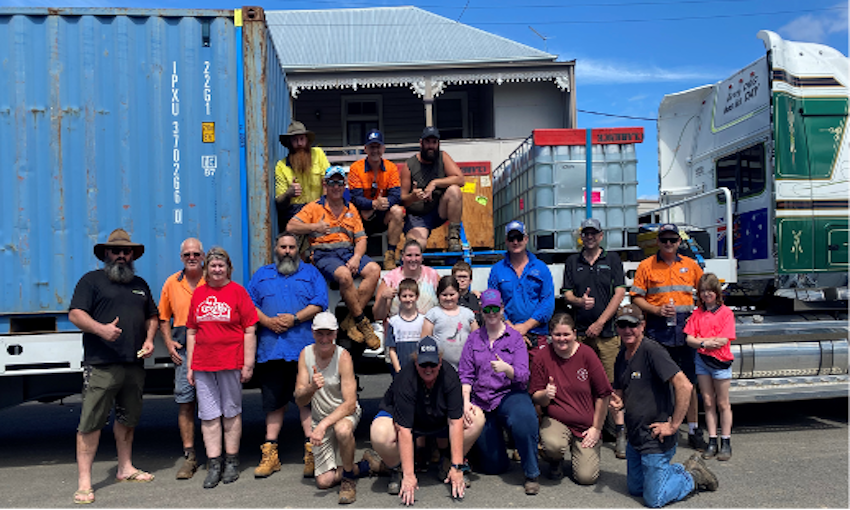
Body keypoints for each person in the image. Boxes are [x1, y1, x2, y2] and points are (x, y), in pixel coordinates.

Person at [69, 228, 159, 504]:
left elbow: (152, 316)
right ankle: (85, 483)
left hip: (133, 363)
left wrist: (150, 338)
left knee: (128, 419)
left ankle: (125, 468)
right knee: (91, 423)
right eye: (116, 251)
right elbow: (75, 314)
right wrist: (101, 330)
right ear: (106, 254)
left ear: (132, 255)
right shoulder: (91, 281)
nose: (121, 255)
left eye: (126, 251)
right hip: (101, 364)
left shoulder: (140, 284)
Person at [610, 304, 718, 508]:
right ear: (617, 327)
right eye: (622, 325)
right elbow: (620, 391)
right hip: (635, 438)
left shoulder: (652, 350)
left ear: (642, 325)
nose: (627, 330)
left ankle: (692, 476)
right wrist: (616, 401)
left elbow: (684, 386)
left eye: (632, 325)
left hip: (655, 439)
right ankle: (675, 470)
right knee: (635, 489)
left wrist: (674, 425)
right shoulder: (621, 356)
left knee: (654, 499)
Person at [247, 232, 329, 480]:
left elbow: (320, 303)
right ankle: (270, 455)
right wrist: (268, 322)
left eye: (291, 247)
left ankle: (311, 454)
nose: (287, 251)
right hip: (271, 350)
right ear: (276, 249)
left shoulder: (311, 274)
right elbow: (249, 304)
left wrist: (295, 318)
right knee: (274, 404)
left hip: (303, 350)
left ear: (298, 250)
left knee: (305, 401)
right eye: (283, 246)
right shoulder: (261, 275)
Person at [370, 337, 481, 505]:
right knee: (379, 433)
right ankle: (397, 468)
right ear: (416, 362)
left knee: (477, 418)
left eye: (433, 364)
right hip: (407, 421)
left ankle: (448, 462)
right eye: (423, 364)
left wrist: (457, 465)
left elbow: (455, 422)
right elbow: (404, 429)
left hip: (437, 419)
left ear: (440, 361)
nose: (428, 369)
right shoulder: (405, 378)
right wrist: (409, 475)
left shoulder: (450, 375)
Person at [186, 247, 258, 489]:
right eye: (213, 266)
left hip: (231, 362)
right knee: (208, 415)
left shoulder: (238, 293)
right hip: (203, 364)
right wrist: (190, 366)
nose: (217, 270)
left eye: (221, 265)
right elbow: (192, 330)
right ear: (206, 268)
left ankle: (232, 461)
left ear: (229, 268)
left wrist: (248, 364)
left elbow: (250, 330)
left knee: (231, 412)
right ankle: (213, 463)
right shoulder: (198, 294)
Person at [630, 223, 707, 451]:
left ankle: (693, 430)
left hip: (685, 332)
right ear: (658, 241)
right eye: (664, 240)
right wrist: (656, 310)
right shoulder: (646, 266)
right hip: (658, 330)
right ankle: (659, 425)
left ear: (679, 242)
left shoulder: (691, 266)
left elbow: (704, 294)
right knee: (657, 383)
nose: (668, 244)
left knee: (689, 383)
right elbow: (636, 298)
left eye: (673, 240)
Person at [288, 166, 382, 349]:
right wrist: (314, 227)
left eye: (340, 183)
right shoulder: (314, 207)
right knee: (344, 276)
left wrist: (356, 257)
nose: (336, 187)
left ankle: (349, 320)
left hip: (347, 252)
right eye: (332, 182)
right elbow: (291, 226)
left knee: (374, 269)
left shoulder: (351, 208)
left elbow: (361, 239)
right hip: (324, 255)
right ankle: (362, 322)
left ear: (344, 185)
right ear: (325, 185)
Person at [458, 289, 541, 495]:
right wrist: (466, 402)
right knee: (494, 466)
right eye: (488, 309)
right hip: (481, 399)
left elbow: (523, 376)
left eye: (496, 308)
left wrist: (508, 369)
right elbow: (465, 374)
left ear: (502, 308)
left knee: (524, 418)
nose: (492, 313)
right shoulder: (474, 339)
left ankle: (531, 472)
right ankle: (482, 455)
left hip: (508, 395)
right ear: (481, 312)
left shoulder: (514, 338)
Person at [294, 312, 379, 504]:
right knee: (324, 481)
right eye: (320, 333)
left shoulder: (343, 356)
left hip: (344, 413)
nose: (324, 339)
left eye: (329, 334)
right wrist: (311, 388)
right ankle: (366, 466)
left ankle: (348, 478)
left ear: (336, 334)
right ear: (313, 332)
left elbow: (350, 403)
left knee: (342, 429)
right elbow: (299, 400)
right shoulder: (305, 354)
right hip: (320, 415)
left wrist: (323, 425)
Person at [561, 218, 627, 458]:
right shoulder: (573, 261)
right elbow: (566, 292)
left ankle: (620, 431)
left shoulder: (612, 260)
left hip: (607, 334)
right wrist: (579, 301)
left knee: (611, 384)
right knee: (580, 383)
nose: (589, 237)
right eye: (585, 233)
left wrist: (600, 322)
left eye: (593, 233)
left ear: (601, 236)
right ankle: (585, 429)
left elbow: (620, 292)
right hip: (580, 333)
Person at [529, 313, 612, 485]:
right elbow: (536, 396)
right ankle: (555, 460)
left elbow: (604, 394)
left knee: (586, 478)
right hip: (557, 420)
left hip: (586, 425)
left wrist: (596, 428)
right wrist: (546, 394)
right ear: (550, 335)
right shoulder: (542, 357)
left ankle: (581, 450)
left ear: (574, 333)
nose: (562, 339)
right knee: (553, 445)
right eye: (557, 335)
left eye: (566, 334)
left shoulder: (587, 354)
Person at [158, 237, 206, 480]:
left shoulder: (214, 279)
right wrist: (168, 342)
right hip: (184, 347)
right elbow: (163, 317)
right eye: (187, 254)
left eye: (196, 254)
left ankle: (216, 455)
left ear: (203, 256)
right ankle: (190, 457)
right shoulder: (172, 282)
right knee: (186, 402)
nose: (192, 258)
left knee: (212, 404)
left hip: (211, 346)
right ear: (181, 257)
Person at [684, 273, 735, 461]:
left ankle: (726, 440)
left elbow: (723, 339)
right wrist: (705, 343)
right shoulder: (697, 313)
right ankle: (712, 440)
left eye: (710, 291)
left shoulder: (726, 313)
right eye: (703, 291)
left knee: (722, 402)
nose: (706, 295)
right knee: (707, 402)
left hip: (720, 361)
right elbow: (689, 338)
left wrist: (702, 342)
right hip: (702, 361)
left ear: (717, 292)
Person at [487, 220, 555, 353]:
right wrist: (511, 329)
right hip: (505, 334)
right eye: (511, 238)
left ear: (526, 239)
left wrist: (526, 326)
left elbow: (547, 302)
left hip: (537, 335)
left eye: (519, 238)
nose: (515, 242)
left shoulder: (541, 268)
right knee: (507, 373)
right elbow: (493, 303)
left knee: (538, 373)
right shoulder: (497, 270)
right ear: (506, 241)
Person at [400, 126, 466, 252]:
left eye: (434, 142)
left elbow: (460, 179)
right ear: (421, 143)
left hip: (438, 210)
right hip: (417, 216)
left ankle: (453, 239)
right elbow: (402, 199)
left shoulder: (443, 157)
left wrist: (435, 183)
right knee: (416, 247)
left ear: (438, 144)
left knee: (454, 190)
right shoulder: (409, 165)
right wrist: (412, 197)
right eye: (427, 142)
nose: (431, 146)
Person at [348, 129, 405, 270]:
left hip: (381, 213)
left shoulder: (391, 168)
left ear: (383, 149)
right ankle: (349, 256)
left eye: (378, 147)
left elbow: (396, 195)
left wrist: (383, 203)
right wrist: (373, 204)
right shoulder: (356, 168)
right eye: (372, 147)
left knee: (397, 211)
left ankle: (390, 255)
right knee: (347, 212)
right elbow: (355, 198)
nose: (375, 150)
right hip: (361, 216)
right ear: (366, 149)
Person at [275, 120, 331, 231]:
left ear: (307, 140)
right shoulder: (281, 166)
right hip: (294, 214)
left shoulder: (318, 154)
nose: (299, 143)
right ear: (289, 143)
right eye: (295, 140)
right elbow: (279, 202)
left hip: (318, 208)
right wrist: (288, 193)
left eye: (302, 139)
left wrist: (324, 205)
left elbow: (329, 181)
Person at [372, 239, 440, 322]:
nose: (413, 259)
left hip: (429, 328)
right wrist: (383, 298)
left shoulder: (433, 275)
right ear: (403, 256)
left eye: (417, 255)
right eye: (409, 255)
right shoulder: (390, 279)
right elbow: (377, 316)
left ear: (422, 257)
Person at [421, 276, 479, 370]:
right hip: (440, 367)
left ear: (458, 293)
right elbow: (425, 340)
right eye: (444, 295)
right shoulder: (433, 314)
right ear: (438, 295)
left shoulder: (468, 313)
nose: (448, 298)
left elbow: (477, 338)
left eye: (452, 294)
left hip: (466, 367)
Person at [386, 278, 426, 376]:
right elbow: (392, 350)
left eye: (411, 296)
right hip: (401, 370)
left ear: (417, 297)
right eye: (404, 296)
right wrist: (399, 371)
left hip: (421, 370)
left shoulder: (424, 320)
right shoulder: (393, 321)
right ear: (399, 298)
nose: (408, 299)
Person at [452, 260, 482, 325]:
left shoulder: (476, 299)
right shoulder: (449, 300)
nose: (462, 280)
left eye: (465, 277)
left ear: (470, 280)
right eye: (459, 277)